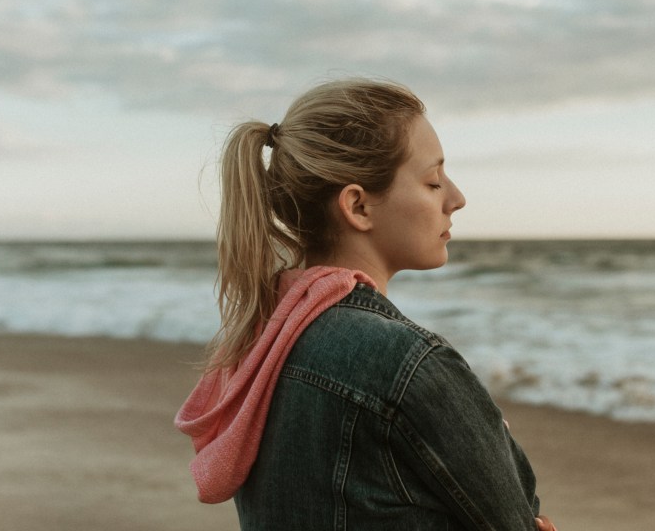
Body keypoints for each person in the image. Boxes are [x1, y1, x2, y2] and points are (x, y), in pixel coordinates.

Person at [175, 79, 558, 530]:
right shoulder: (407, 364)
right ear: (358, 206)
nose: (456, 199)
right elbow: (519, 514)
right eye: (433, 181)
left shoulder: (264, 346)